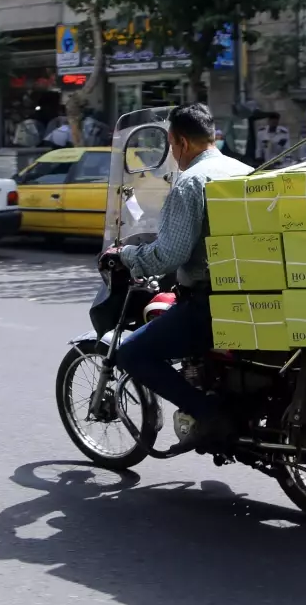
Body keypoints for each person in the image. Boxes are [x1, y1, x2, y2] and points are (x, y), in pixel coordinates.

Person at [102, 103, 254, 450]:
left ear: (181, 142)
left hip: (211, 303)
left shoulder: (190, 183)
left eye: (170, 145)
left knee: (132, 353)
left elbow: (169, 255)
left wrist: (125, 256)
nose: (172, 152)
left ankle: (208, 412)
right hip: (255, 297)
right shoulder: (246, 171)